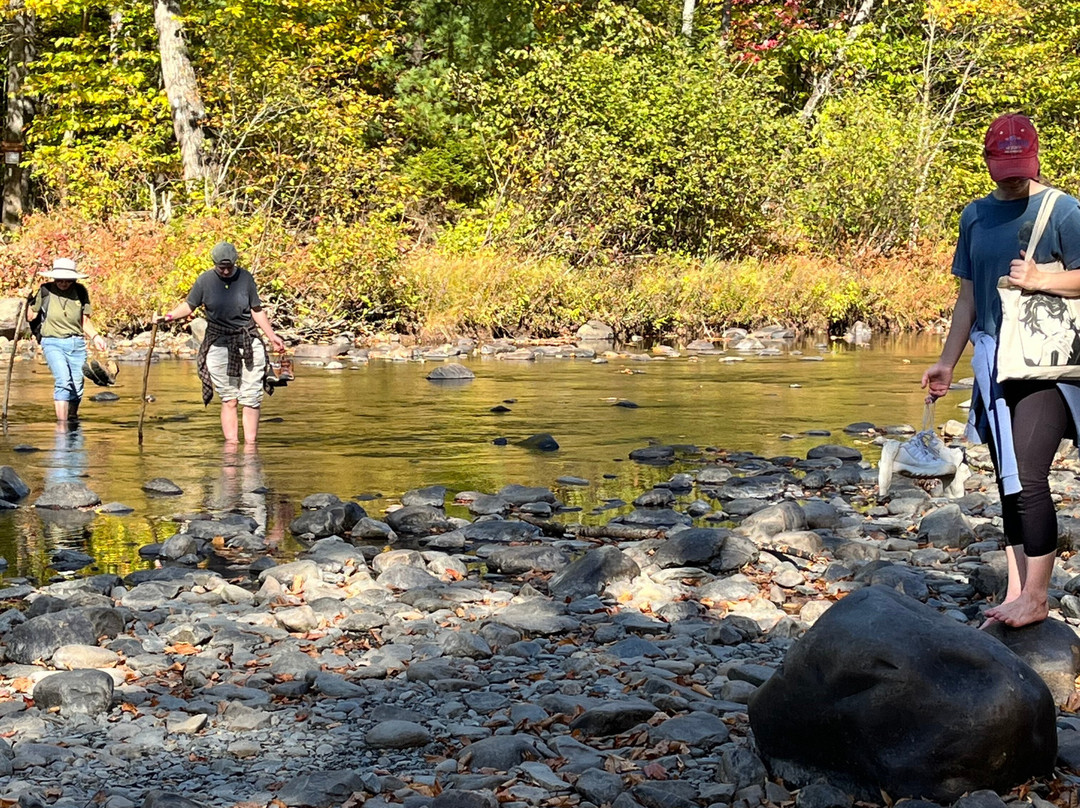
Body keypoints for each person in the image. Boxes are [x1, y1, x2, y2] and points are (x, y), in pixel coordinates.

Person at [922, 113, 1080, 628]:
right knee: (1010, 480)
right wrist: (947, 361)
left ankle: (1037, 597)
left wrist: (1040, 279)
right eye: (1003, 165)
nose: (1013, 175)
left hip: (1047, 364)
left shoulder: (1063, 210)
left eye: (1021, 165)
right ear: (988, 161)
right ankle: (1015, 591)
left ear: (1034, 158)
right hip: (994, 358)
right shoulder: (975, 216)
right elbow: (968, 297)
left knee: (1030, 474)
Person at [157, 242, 286, 445]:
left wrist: (272, 336)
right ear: (214, 264)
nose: (226, 271)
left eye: (229, 267)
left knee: (251, 397)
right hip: (218, 343)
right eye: (221, 267)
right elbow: (189, 306)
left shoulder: (245, 278)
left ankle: (251, 447)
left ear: (235, 263)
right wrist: (168, 316)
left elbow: (256, 309)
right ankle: (232, 447)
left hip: (248, 340)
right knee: (229, 398)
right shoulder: (205, 281)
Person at [27, 257, 108, 423]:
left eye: (68, 280)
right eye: (60, 280)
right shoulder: (45, 290)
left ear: (74, 279)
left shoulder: (80, 291)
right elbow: (31, 316)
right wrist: (27, 300)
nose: (63, 283)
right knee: (64, 380)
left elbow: (84, 321)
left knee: (77, 385)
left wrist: (95, 336)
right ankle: (62, 426)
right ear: (54, 278)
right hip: (52, 342)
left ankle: (71, 417)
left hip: (76, 343)